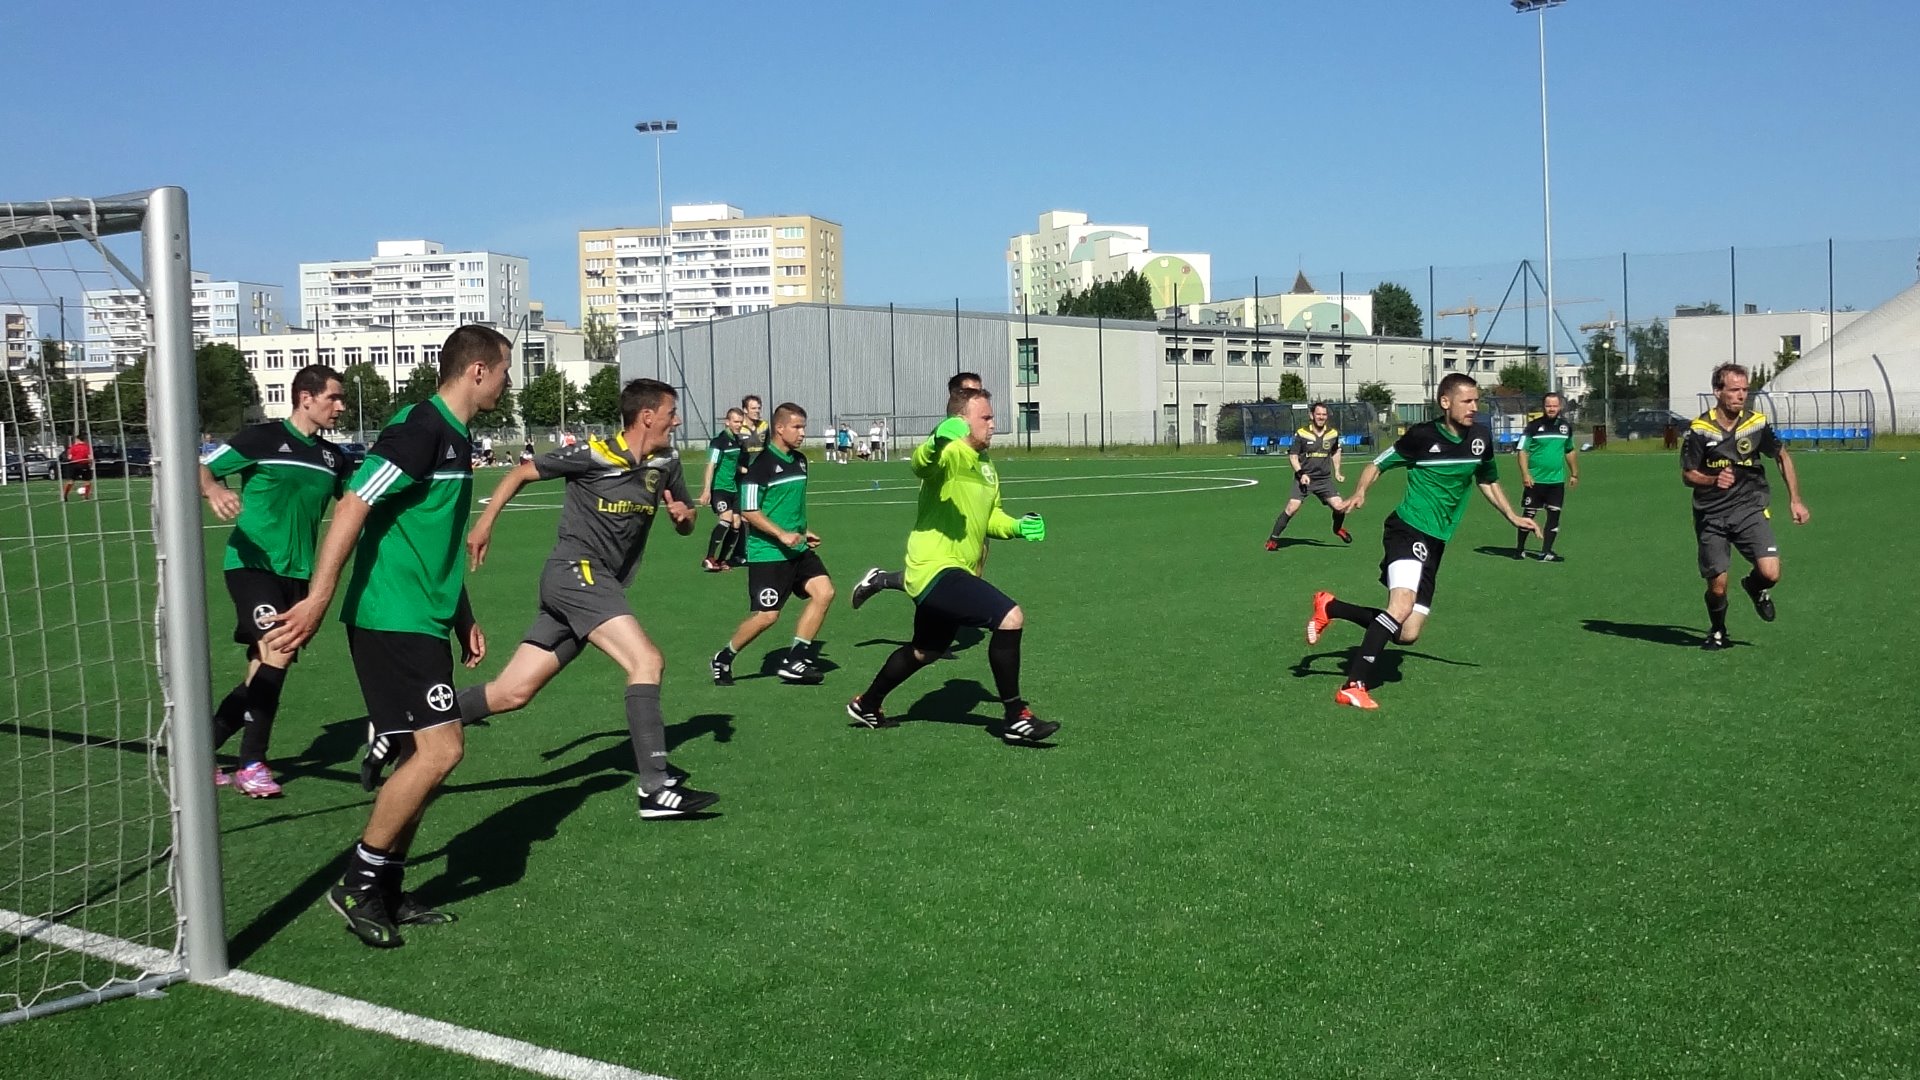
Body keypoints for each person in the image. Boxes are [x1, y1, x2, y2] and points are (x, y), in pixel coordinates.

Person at [263, 324, 511, 948]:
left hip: (422, 617)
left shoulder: (455, 434)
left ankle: (387, 890)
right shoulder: (421, 429)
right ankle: (357, 884)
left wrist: (461, 613)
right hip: (389, 617)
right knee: (441, 752)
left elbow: (432, 534)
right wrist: (318, 598)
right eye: (505, 371)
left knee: (421, 758)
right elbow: (353, 504)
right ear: (478, 370)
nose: (507, 384)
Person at [457, 378, 718, 818]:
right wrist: (484, 525)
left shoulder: (667, 462)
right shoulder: (593, 454)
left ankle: (405, 725)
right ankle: (655, 788)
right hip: (575, 572)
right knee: (647, 661)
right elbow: (520, 472)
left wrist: (684, 518)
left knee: (511, 693)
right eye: (671, 413)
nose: (676, 421)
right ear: (647, 416)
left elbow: (688, 520)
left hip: (592, 584)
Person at [1303, 374, 1539, 710]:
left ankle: (1331, 607)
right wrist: (1360, 491)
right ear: (1445, 402)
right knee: (1400, 605)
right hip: (1408, 529)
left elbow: (1487, 480)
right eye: (1467, 401)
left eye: (1476, 401)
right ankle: (1354, 685)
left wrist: (1512, 516)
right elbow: (1377, 464)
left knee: (1407, 633)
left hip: (1437, 540)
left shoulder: (1481, 437)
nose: (1474, 407)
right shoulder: (1421, 436)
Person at [846, 388, 1056, 744]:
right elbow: (920, 465)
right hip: (935, 568)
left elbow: (991, 518)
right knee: (1010, 617)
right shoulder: (949, 452)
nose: (993, 424)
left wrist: (1018, 527)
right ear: (962, 421)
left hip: (954, 571)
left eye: (992, 417)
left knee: (925, 650)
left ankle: (867, 704)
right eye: (985, 418)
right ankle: (1016, 717)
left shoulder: (987, 466)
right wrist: (936, 440)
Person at [198, 365, 354, 797]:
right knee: (279, 651)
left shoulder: (334, 459)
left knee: (261, 668)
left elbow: (358, 504)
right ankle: (252, 764)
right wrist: (215, 491)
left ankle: (198, 751)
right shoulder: (262, 439)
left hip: (298, 576)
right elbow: (202, 470)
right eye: (333, 397)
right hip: (252, 566)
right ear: (306, 397)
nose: (341, 407)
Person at [1680, 363, 1810, 651]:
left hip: (1749, 509)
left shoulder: (1756, 424)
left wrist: (1795, 500)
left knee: (1771, 573)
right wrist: (1713, 480)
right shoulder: (1700, 430)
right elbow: (1688, 475)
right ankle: (1718, 630)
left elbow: (1782, 457)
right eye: (1734, 390)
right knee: (1717, 587)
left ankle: (1754, 586)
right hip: (1711, 514)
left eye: (1745, 390)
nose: (1741, 396)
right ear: (1717, 392)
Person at [711, 403, 835, 686]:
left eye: (803, 427)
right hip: (769, 553)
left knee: (824, 592)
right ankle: (723, 657)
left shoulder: (800, 461)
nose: (802, 433)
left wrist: (802, 531)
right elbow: (749, 511)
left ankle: (795, 660)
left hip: (797, 548)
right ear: (779, 428)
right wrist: (781, 534)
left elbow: (787, 505)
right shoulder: (761, 467)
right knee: (767, 617)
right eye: (797, 427)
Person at [851, 372, 986, 609]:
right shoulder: (945, 432)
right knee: (937, 577)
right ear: (954, 396)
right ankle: (884, 582)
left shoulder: (978, 430)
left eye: (979, 391)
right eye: (970, 392)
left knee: (973, 566)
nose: (977, 397)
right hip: (946, 512)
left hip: (971, 512)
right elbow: (923, 464)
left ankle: (883, 581)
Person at [1266, 402, 1352, 549]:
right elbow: (1293, 456)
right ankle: (1273, 539)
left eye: (1324, 414)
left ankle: (1337, 529)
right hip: (1304, 479)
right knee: (1292, 508)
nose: (1321, 417)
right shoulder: (1302, 433)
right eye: (1318, 414)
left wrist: (1337, 471)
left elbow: (1335, 451)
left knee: (1340, 507)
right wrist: (1301, 474)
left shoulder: (1333, 433)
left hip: (1324, 480)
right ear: (1311, 415)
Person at [1515, 392, 1579, 561]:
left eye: (1554, 405)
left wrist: (1574, 473)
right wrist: (1525, 474)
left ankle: (1546, 552)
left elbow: (1569, 450)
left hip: (1556, 482)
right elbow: (1522, 451)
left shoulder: (1565, 427)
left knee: (1554, 516)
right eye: (1548, 405)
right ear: (1543, 407)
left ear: (1560, 407)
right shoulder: (1533, 427)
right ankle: (1519, 549)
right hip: (1535, 481)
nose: (1551, 409)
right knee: (1529, 515)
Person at [699, 408, 749, 572]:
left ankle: (721, 560)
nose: (739, 425)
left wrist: (746, 470)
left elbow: (733, 464)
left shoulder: (738, 441)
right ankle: (709, 557)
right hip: (719, 488)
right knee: (726, 518)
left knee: (737, 523)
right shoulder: (718, 442)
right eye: (735, 421)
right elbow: (711, 465)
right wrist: (707, 490)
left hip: (733, 489)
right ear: (727, 422)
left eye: (740, 422)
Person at [62, 434, 93, 501]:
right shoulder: (86, 447)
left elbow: (69, 457)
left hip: (74, 464)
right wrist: (90, 463)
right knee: (87, 481)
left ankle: (65, 495)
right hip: (84, 464)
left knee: (71, 481)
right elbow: (90, 457)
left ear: (78, 439)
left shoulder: (73, 447)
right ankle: (86, 497)